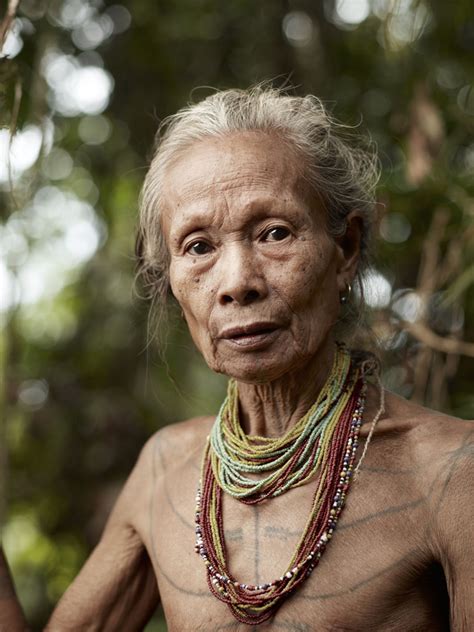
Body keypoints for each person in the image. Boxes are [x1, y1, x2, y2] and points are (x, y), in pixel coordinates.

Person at [45, 87, 473, 631]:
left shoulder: (451, 474)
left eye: (274, 233)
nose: (237, 283)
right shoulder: (164, 469)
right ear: (172, 279)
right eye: (198, 247)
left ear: (345, 249)